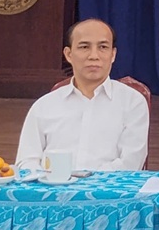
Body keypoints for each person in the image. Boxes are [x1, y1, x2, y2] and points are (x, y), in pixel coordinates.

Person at [15, 18, 149, 171]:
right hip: (51, 184)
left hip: (108, 186)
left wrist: (82, 181)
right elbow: (26, 162)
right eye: (84, 47)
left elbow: (131, 163)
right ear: (68, 54)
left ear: (113, 54)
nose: (94, 56)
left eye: (103, 47)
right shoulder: (44, 105)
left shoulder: (132, 102)